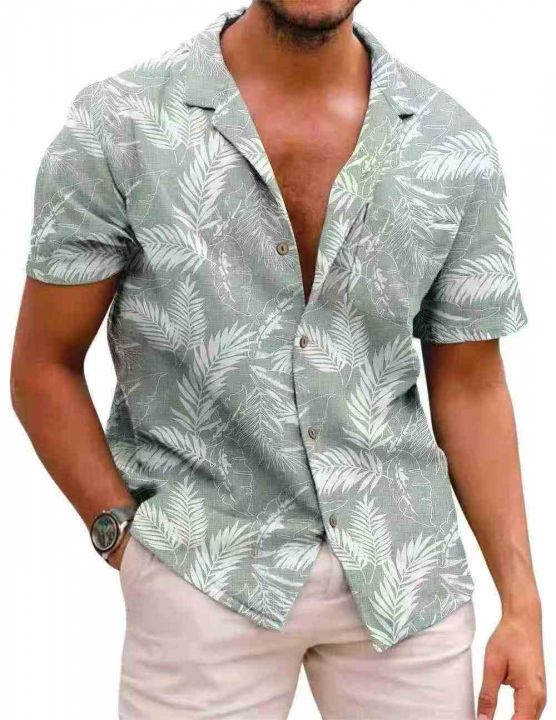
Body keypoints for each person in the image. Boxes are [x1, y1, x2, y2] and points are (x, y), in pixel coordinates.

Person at [11, 2, 546, 718]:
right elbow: (43, 363)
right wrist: (123, 539)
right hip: (203, 569)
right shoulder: (121, 123)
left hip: (406, 579)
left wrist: (521, 602)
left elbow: (473, 386)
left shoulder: (453, 147)